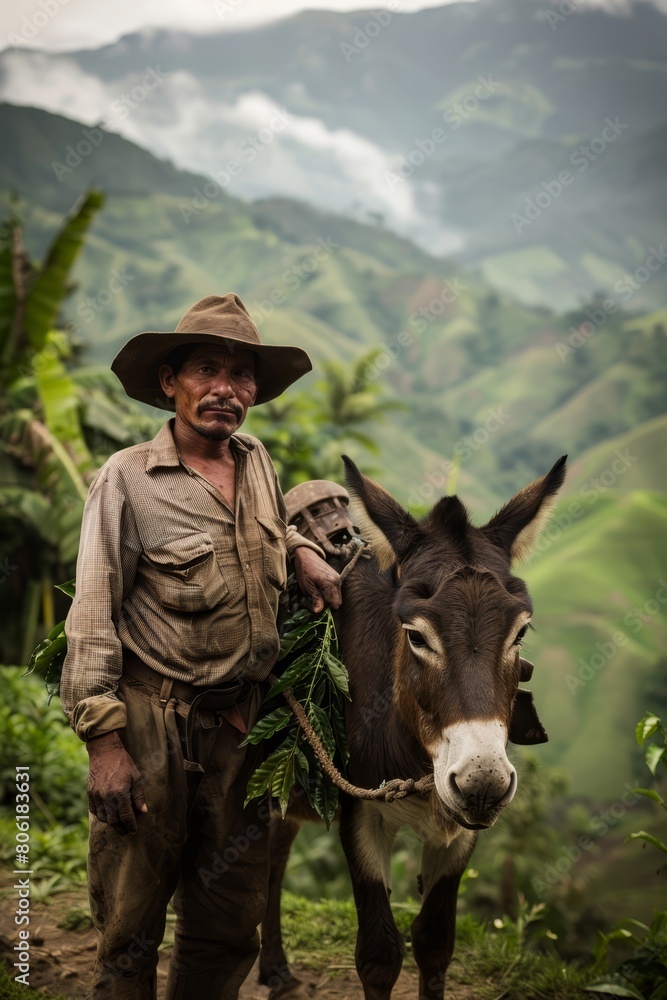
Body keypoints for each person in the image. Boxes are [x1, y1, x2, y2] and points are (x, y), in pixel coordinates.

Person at [60, 293, 342, 999]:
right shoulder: (126, 480)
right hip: (153, 728)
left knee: (225, 929)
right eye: (207, 370)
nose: (226, 389)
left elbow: (269, 529)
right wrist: (105, 745)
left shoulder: (255, 461)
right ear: (169, 382)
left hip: (243, 731)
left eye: (241, 375)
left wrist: (302, 551)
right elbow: (92, 615)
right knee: (130, 928)